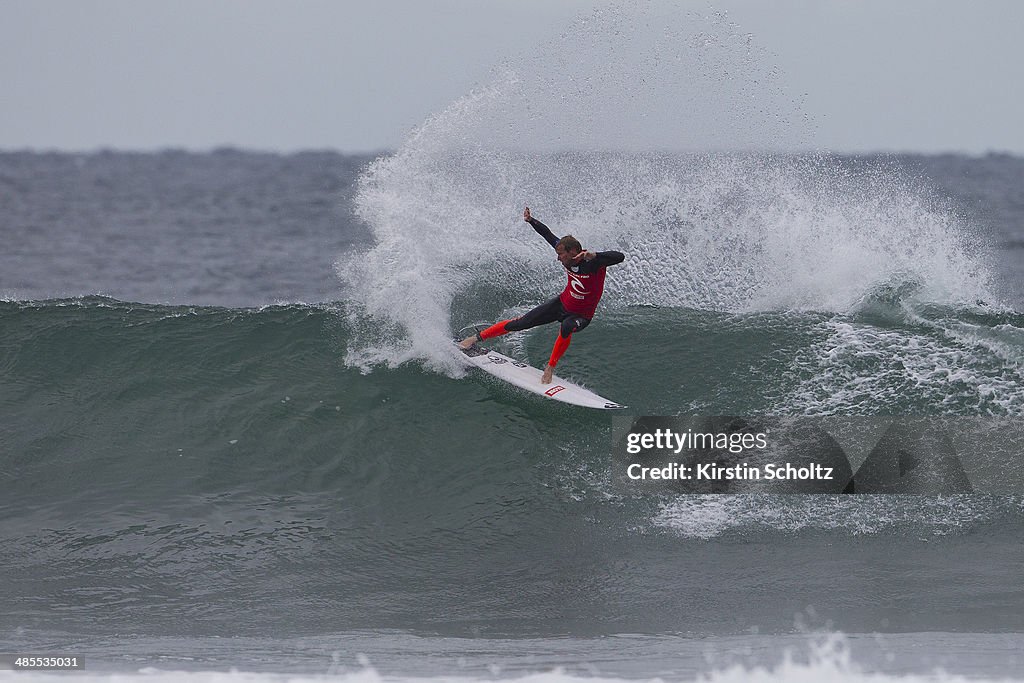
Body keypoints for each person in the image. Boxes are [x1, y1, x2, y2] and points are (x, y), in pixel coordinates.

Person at [459, 206, 625, 384]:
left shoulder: (593, 263)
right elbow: (547, 234)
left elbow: (620, 256)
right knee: (521, 323)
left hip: (582, 316)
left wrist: (596, 254)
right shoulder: (566, 254)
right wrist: (531, 221)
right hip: (561, 304)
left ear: (572, 252)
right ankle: (473, 339)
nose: (558, 258)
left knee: (567, 326)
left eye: (560, 254)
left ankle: (549, 368)